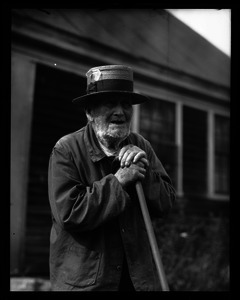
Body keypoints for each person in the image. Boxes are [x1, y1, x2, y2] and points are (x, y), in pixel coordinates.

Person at [48, 65, 176, 291]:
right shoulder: (66, 149)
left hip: (135, 281)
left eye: (126, 104)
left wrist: (143, 175)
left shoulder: (141, 146)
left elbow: (166, 205)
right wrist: (119, 181)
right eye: (110, 103)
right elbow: (69, 213)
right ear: (89, 112)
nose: (120, 111)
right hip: (86, 283)